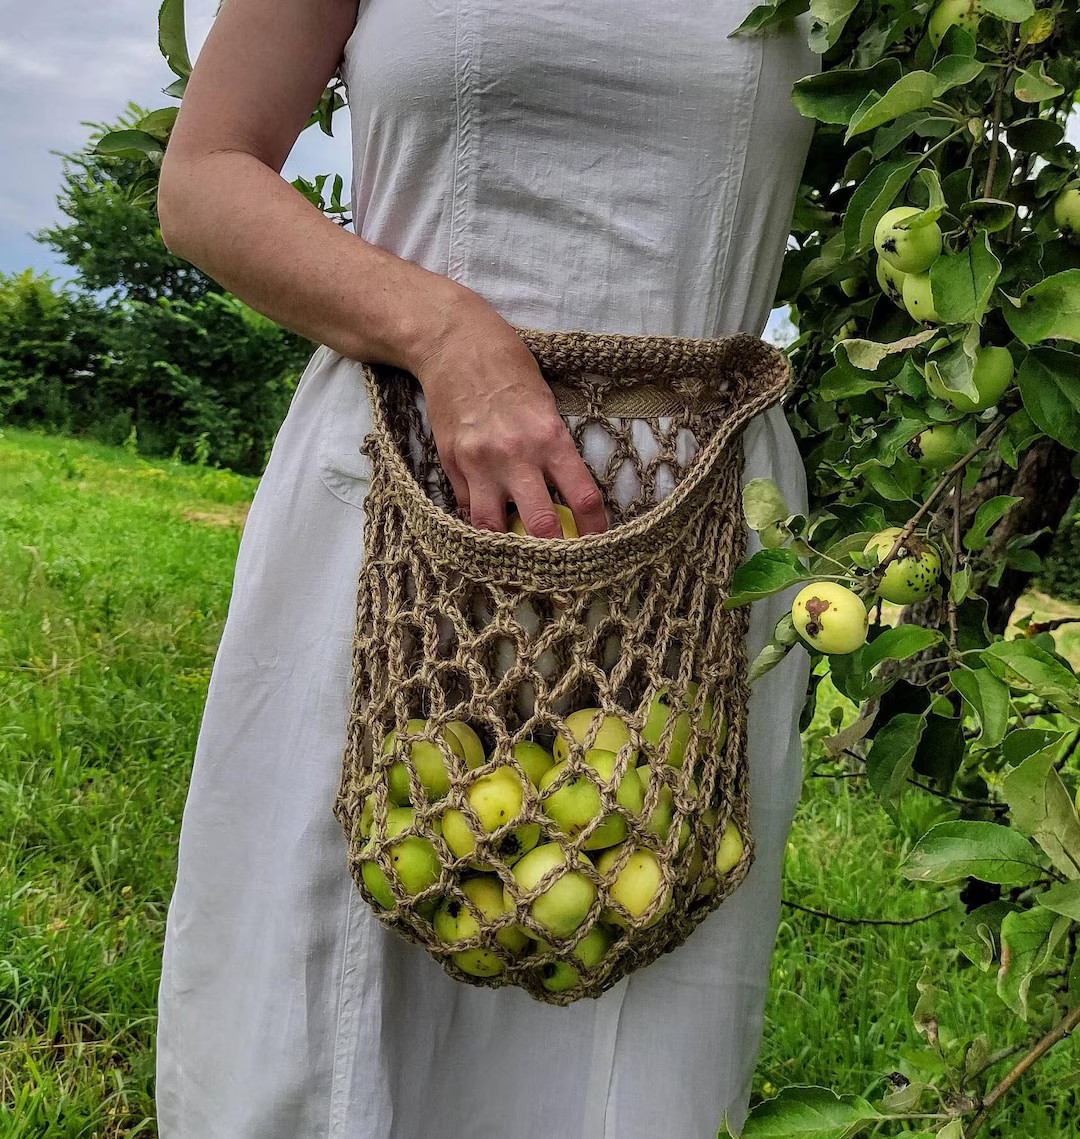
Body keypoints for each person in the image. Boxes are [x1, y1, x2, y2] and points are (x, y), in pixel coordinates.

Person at [154, 2, 818, 1136]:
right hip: (398, 521)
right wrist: (445, 332)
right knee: (324, 1012)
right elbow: (206, 176)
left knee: (641, 1007)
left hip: (695, 552)